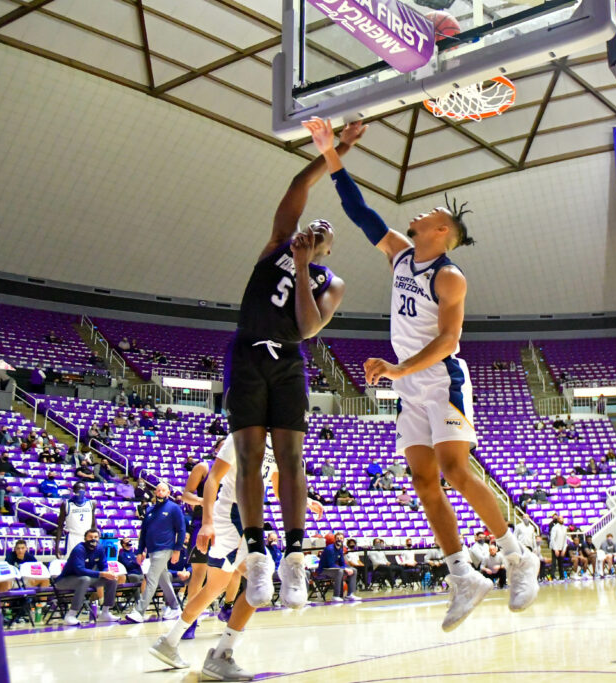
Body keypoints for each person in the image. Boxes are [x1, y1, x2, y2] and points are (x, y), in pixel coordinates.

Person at [307, 116, 539, 631]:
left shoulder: (450, 276)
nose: (420, 210)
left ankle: (518, 556)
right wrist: (331, 152)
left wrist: (398, 367)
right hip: (409, 385)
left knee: (455, 471)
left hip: (442, 380)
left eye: (432, 212)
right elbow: (358, 210)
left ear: (442, 231)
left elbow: (449, 341)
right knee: (422, 480)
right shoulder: (399, 253)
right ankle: (464, 576)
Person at [224, 123, 361, 613]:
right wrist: (337, 149)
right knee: (248, 456)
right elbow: (299, 187)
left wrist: (303, 266)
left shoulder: (330, 278)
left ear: (328, 249)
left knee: (290, 460)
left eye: (325, 231)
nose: (315, 227)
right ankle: (258, 550)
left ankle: (295, 557)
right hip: (246, 354)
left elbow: (306, 329)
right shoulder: (278, 240)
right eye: (314, 223)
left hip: (287, 361)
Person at [148, 434, 282, 678]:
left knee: (213, 589)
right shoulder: (242, 436)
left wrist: (304, 501)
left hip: (244, 519)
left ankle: (169, 641)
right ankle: (221, 655)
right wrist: (207, 522)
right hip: (230, 518)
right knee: (258, 583)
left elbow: (277, 484)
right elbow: (211, 482)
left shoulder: (278, 443)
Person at [124, 482, 186, 623]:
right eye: (158, 490)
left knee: (151, 578)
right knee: (163, 579)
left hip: (165, 548)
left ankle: (139, 611)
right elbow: (144, 532)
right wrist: (140, 551)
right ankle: (176, 607)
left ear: (168, 492)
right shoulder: (150, 510)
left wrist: (177, 549)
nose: (160, 492)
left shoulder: (174, 508)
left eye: (163, 490)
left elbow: (181, 530)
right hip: (152, 550)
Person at [54, 528, 119, 626]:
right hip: (65, 580)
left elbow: (104, 565)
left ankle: (105, 612)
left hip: (86, 579)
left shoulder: (100, 548)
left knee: (111, 579)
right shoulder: (79, 549)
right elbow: (79, 570)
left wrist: (108, 572)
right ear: (85, 539)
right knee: (85, 579)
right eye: (90, 537)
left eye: (96, 537)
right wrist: (101, 574)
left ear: (99, 538)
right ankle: (71, 615)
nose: (93, 539)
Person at [181, 451, 212, 627]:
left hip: (228, 524)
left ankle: (229, 607)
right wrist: (205, 501)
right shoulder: (203, 467)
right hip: (202, 523)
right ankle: (190, 619)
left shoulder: (238, 469)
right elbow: (186, 495)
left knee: (231, 574)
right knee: (198, 573)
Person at [55, 482, 97, 557]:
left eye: (82, 488)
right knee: (71, 561)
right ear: (73, 491)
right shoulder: (66, 504)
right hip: (72, 537)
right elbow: (60, 526)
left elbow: (93, 525)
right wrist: (57, 546)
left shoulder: (92, 503)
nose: (80, 490)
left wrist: (96, 540)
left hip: (87, 537)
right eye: (78, 488)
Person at [319, 532, 359, 602]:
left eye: (341, 538)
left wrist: (347, 568)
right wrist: (344, 568)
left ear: (343, 540)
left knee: (354, 570)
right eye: (337, 538)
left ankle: (350, 595)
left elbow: (342, 563)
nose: (339, 540)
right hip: (324, 570)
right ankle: (335, 596)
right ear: (334, 540)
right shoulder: (329, 549)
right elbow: (331, 564)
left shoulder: (340, 549)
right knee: (339, 571)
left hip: (334, 569)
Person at [549, 515, 568, 580]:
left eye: (562, 518)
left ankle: (562, 576)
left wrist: (564, 549)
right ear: (558, 520)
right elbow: (552, 539)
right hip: (555, 548)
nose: (561, 520)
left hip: (561, 547)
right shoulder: (554, 528)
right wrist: (555, 549)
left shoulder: (565, 528)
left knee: (561, 563)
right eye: (560, 519)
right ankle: (552, 576)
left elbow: (565, 539)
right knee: (554, 563)